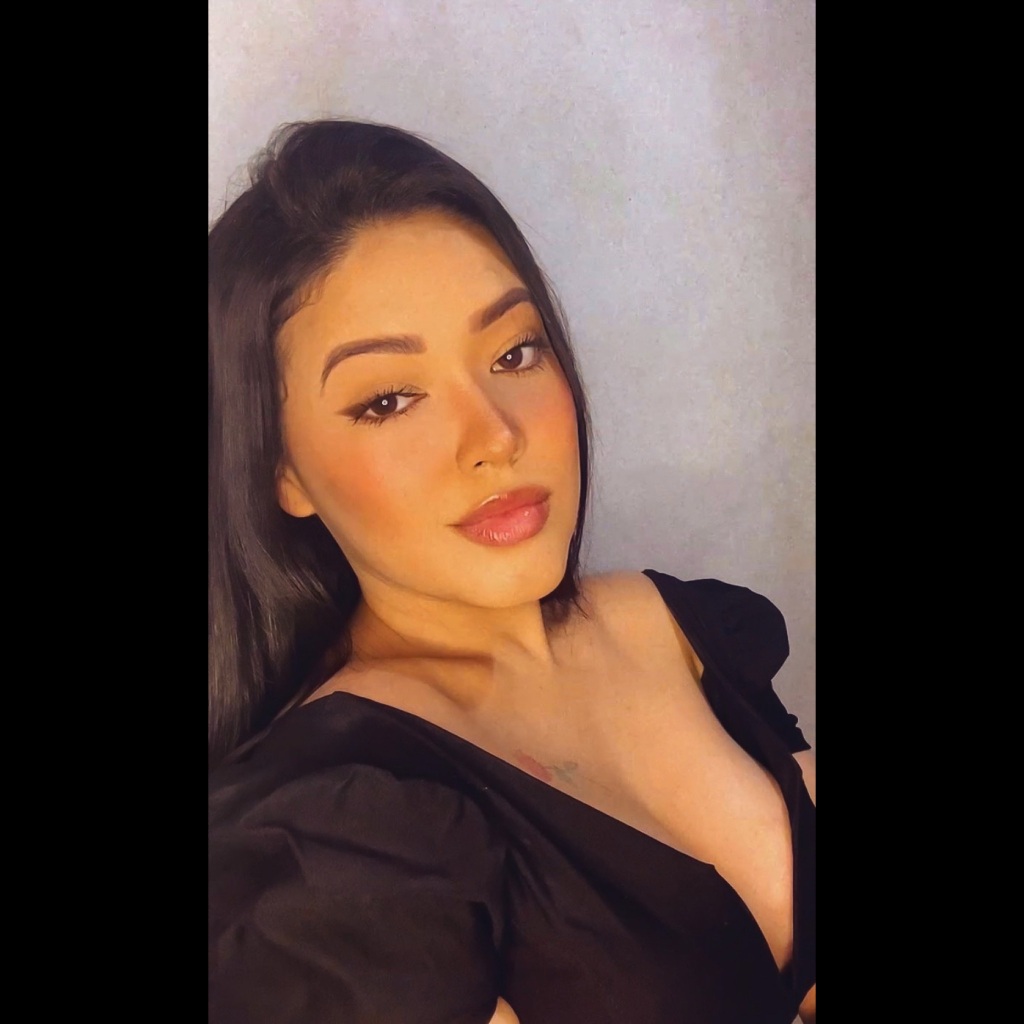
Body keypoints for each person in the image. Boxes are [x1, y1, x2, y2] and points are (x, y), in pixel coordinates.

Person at [208, 119, 816, 1024]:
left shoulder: (684, 628)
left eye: (513, 353)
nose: (494, 435)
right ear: (281, 472)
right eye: (389, 400)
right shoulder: (342, 835)